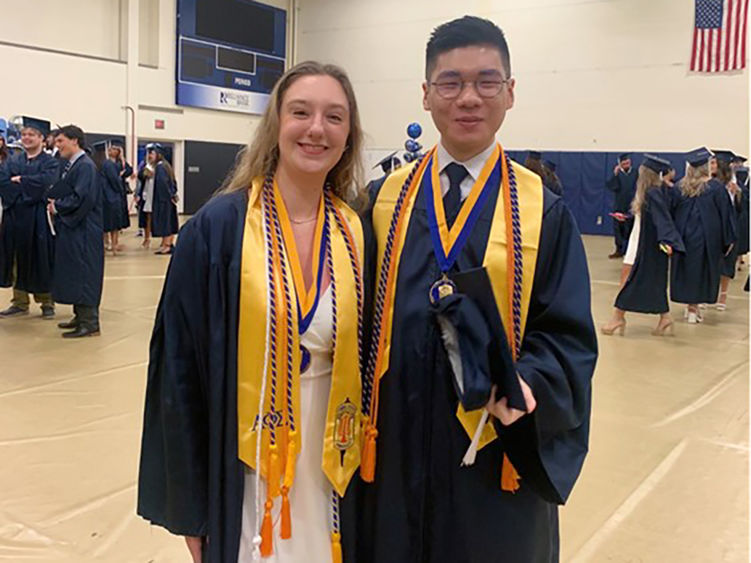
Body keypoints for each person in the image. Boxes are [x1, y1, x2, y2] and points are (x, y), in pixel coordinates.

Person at [358, 16, 597, 562]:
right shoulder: (382, 202)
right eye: (450, 82)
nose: (469, 98)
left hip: (490, 454)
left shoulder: (543, 211)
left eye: (487, 81)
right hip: (396, 447)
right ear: (426, 94)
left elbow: (568, 337)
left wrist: (529, 382)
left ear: (510, 93)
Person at [137, 61, 366, 563]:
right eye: (300, 112)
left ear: (349, 135)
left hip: (334, 460)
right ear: (275, 125)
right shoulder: (219, 229)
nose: (315, 129)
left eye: (334, 117)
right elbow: (178, 373)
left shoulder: (356, 232)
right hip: (245, 458)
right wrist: (190, 507)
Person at [601, 155, 684, 336]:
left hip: (645, 245)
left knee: (630, 280)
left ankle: (618, 316)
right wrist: (628, 217)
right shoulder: (651, 192)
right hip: (637, 239)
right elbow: (647, 218)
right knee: (650, 282)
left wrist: (667, 240)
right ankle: (665, 317)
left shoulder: (653, 193)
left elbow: (662, 220)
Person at [48, 125, 104, 338]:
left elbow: (83, 198)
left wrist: (58, 206)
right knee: (75, 271)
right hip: (75, 228)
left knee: (85, 272)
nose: (57, 145)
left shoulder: (85, 167)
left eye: (61, 141)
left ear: (74, 141)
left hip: (84, 229)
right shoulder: (73, 165)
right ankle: (80, 315)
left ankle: (90, 323)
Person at [0, 116, 59, 319]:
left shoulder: (50, 162)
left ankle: (47, 302)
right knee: (16, 257)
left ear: (42, 138)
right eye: (24, 134)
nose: (26, 138)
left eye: (31, 134)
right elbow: (4, 182)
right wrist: (26, 186)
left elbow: (46, 182)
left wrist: (22, 180)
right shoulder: (13, 159)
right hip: (14, 216)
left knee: (40, 258)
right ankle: (19, 301)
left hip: (37, 218)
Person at [669, 148, 736, 323]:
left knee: (687, 270)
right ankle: (694, 308)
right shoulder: (715, 188)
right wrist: (728, 239)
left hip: (683, 237)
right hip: (708, 238)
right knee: (702, 271)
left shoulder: (679, 187)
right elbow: (725, 215)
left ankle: (689, 308)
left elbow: (671, 213)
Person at [714, 150, 743, 311]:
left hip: (730, 226)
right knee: (712, 262)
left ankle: (723, 295)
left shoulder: (735, 183)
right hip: (714, 226)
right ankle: (708, 293)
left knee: (727, 262)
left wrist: (737, 194)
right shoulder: (710, 183)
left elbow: (741, 209)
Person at [136, 144, 178, 254]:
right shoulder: (163, 166)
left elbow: (163, 184)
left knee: (166, 223)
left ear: (158, 154)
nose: (149, 155)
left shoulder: (160, 167)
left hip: (162, 200)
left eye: (151, 153)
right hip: (163, 199)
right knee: (166, 222)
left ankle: (167, 245)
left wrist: (168, 197)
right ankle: (165, 244)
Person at [606, 153, 638, 258]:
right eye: (624, 163)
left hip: (631, 206)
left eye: (628, 163)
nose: (626, 165)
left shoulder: (635, 173)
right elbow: (611, 187)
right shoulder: (618, 174)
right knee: (618, 230)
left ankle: (629, 251)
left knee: (630, 230)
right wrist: (615, 174)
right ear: (620, 164)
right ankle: (619, 250)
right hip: (619, 206)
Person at [99, 141, 127, 255]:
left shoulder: (116, 163)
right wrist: (120, 183)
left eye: (115, 149)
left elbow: (128, 170)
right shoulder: (109, 164)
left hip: (110, 196)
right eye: (111, 149)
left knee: (110, 223)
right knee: (112, 224)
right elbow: (114, 180)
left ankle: (112, 245)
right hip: (111, 196)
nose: (112, 151)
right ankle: (113, 246)